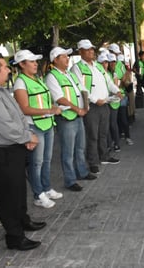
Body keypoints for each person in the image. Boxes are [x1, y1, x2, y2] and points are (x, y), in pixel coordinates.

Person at [0, 52, 45, 251]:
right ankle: (14, 236)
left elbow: (18, 117)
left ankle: (23, 221)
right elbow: (5, 126)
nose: (8, 69)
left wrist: (26, 134)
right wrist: (27, 137)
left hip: (12, 149)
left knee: (19, 189)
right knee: (8, 195)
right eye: (4, 67)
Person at [12, 50, 63, 208]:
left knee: (46, 160)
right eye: (31, 61)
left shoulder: (37, 79)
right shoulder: (20, 82)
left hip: (47, 124)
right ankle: (38, 194)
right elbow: (24, 109)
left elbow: (43, 102)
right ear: (22, 64)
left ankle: (46, 188)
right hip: (34, 126)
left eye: (35, 61)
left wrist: (52, 108)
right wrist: (49, 111)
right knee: (36, 163)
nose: (35, 64)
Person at [45, 47, 97, 192]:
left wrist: (85, 106)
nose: (67, 58)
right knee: (68, 152)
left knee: (80, 147)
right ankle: (70, 180)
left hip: (78, 116)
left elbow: (82, 90)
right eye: (64, 56)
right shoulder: (52, 77)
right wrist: (78, 109)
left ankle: (82, 172)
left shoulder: (69, 74)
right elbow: (60, 98)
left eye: (67, 56)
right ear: (55, 60)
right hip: (66, 118)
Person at [71, 39, 122, 174]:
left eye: (92, 49)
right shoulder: (77, 68)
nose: (91, 51)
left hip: (105, 103)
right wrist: (94, 99)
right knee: (92, 135)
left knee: (103, 133)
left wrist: (117, 90)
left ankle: (104, 155)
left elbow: (109, 81)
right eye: (87, 49)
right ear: (80, 51)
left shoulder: (98, 66)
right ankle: (93, 161)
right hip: (92, 106)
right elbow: (80, 87)